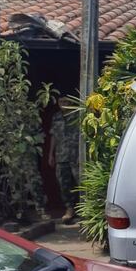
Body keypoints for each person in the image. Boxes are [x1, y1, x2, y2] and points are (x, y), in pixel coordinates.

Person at [48, 96, 79, 224]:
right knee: (64, 184)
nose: (63, 104)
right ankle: (69, 208)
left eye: (66, 101)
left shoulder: (78, 115)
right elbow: (54, 136)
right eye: (61, 101)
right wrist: (51, 154)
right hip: (61, 155)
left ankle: (84, 210)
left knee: (80, 182)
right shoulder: (56, 117)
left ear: (71, 101)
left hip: (76, 155)